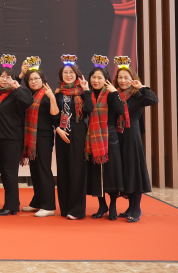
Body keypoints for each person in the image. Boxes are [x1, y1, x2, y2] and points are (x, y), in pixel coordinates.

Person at [0, 55, 33, 216]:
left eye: (8, 77)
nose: (5, 79)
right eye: (2, 76)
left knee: (10, 174)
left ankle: (10, 205)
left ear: (13, 79)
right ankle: (13, 204)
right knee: (4, 173)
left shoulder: (16, 93)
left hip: (12, 140)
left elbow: (27, 102)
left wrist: (17, 88)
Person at [113, 56, 158, 223]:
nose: (123, 80)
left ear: (132, 79)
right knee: (125, 172)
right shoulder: (114, 94)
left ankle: (136, 208)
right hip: (118, 137)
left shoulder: (137, 95)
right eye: (120, 77)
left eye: (126, 77)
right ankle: (130, 207)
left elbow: (154, 100)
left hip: (132, 137)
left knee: (134, 172)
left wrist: (142, 87)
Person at [86, 57, 125, 221]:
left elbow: (120, 110)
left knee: (111, 172)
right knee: (97, 173)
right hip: (93, 136)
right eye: (93, 77)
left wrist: (115, 92)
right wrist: (86, 92)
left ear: (106, 80)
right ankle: (102, 205)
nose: (96, 80)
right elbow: (87, 111)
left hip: (110, 135)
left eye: (99, 78)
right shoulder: (87, 93)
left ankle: (113, 205)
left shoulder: (111, 94)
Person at [54, 55, 93, 220]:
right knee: (63, 171)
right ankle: (65, 208)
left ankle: (76, 210)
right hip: (61, 132)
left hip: (78, 131)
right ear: (61, 75)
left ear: (76, 74)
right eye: (65, 72)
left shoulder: (82, 92)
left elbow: (89, 110)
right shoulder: (58, 94)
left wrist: (87, 90)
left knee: (77, 171)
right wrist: (57, 129)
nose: (68, 75)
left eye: (71, 72)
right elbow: (53, 115)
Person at [19, 57, 59, 217]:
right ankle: (37, 202)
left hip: (43, 137)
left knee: (44, 170)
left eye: (36, 78)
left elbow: (55, 117)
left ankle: (48, 206)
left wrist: (53, 98)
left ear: (43, 80)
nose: (34, 81)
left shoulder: (46, 95)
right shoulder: (29, 95)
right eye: (30, 79)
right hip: (31, 138)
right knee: (34, 171)